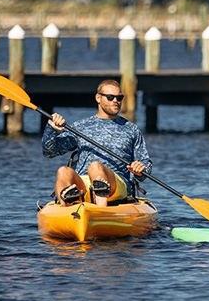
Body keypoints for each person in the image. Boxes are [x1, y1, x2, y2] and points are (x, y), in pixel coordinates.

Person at [43, 79, 150, 207]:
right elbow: (49, 152)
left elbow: (145, 165)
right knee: (63, 171)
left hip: (117, 187)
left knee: (95, 167)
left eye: (119, 97)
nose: (116, 101)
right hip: (85, 186)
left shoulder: (131, 129)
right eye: (110, 97)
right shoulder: (81, 127)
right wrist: (51, 130)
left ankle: (101, 209)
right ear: (98, 98)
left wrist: (140, 169)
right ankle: (65, 208)